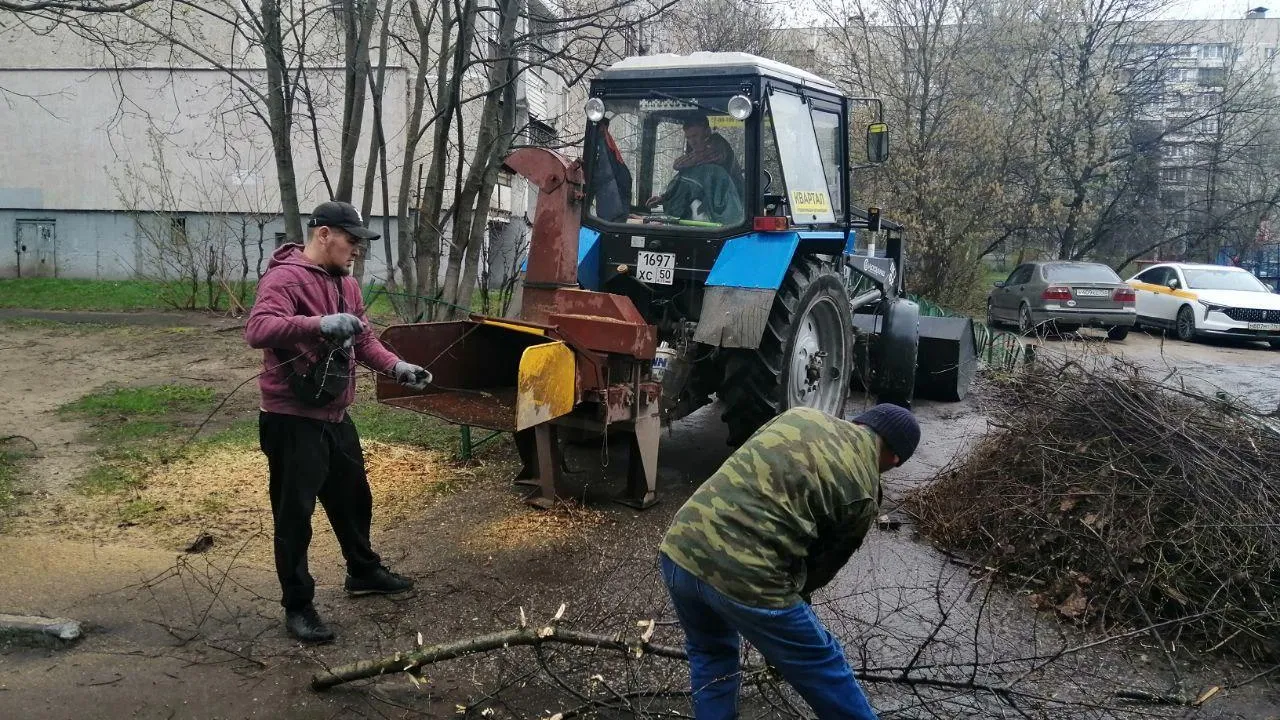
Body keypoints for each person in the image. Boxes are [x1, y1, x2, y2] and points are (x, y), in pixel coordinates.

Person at [658, 403, 922, 720]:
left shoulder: (800, 415)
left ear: (864, 422)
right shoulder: (865, 492)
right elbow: (816, 571)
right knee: (822, 663)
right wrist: (787, 640)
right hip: (745, 574)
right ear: (894, 458)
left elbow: (743, 467)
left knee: (712, 655)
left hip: (679, 547)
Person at [245, 200, 431, 644]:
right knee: (295, 516)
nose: (356, 251)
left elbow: (364, 340)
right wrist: (317, 324)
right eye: (351, 241)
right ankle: (298, 605)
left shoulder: (347, 287)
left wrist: (398, 368)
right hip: (291, 419)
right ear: (324, 234)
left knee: (353, 500)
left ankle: (363, 572)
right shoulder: (284, 277)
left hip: (335, 415)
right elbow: (258, 330)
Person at [646, 113, 744, 224]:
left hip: (730, 206)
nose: (692, 141)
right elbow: (687, 180)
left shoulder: (717, 146)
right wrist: (665, 198)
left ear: (707, 132)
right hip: (704, 208)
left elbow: (681, 165)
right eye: (688, 137)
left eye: (695, 136)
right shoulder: (697, 157)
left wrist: (684, 163)